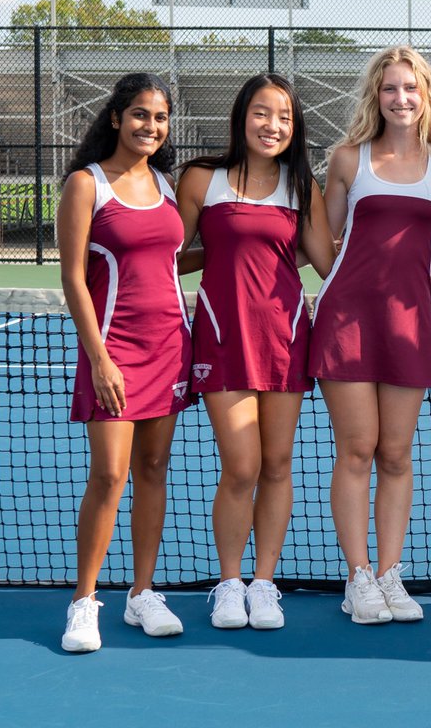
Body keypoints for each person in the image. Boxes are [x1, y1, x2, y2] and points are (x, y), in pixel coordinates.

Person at [177, 73, 335, 631]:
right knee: (241, 466)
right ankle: (229, 583)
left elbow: (327, 263)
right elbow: (169, 254)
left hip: (287, 337)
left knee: (278, 464)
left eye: (285, 117)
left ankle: (264, 584)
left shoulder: (302, 188)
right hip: (221, 337)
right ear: (242, 117)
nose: (274, 126)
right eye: (263, 114)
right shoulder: (201, 179)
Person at [309, 46, 431, 624]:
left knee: (396, 454)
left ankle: (391, 574)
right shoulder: (347, 158)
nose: (401, 98)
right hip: (347, 321)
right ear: (377, 95)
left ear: (426, 98)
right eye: (391, 88)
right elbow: (325, 239)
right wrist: (350, 284)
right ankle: (359, 577)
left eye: (411, 89)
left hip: (408, 325)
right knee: (356, 450)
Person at [57, 72, 191, 652]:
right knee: (110, 475)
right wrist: (100, 359)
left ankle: (141, 594)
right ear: (116, 117)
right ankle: (84, 603)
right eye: (140, 115)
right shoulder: (86, 186)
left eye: (160, 118)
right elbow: (72, 279)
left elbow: (169, 262)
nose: (150, 127)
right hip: (113, 351)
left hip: (171, 345)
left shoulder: (165, 183)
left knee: (154, 470)